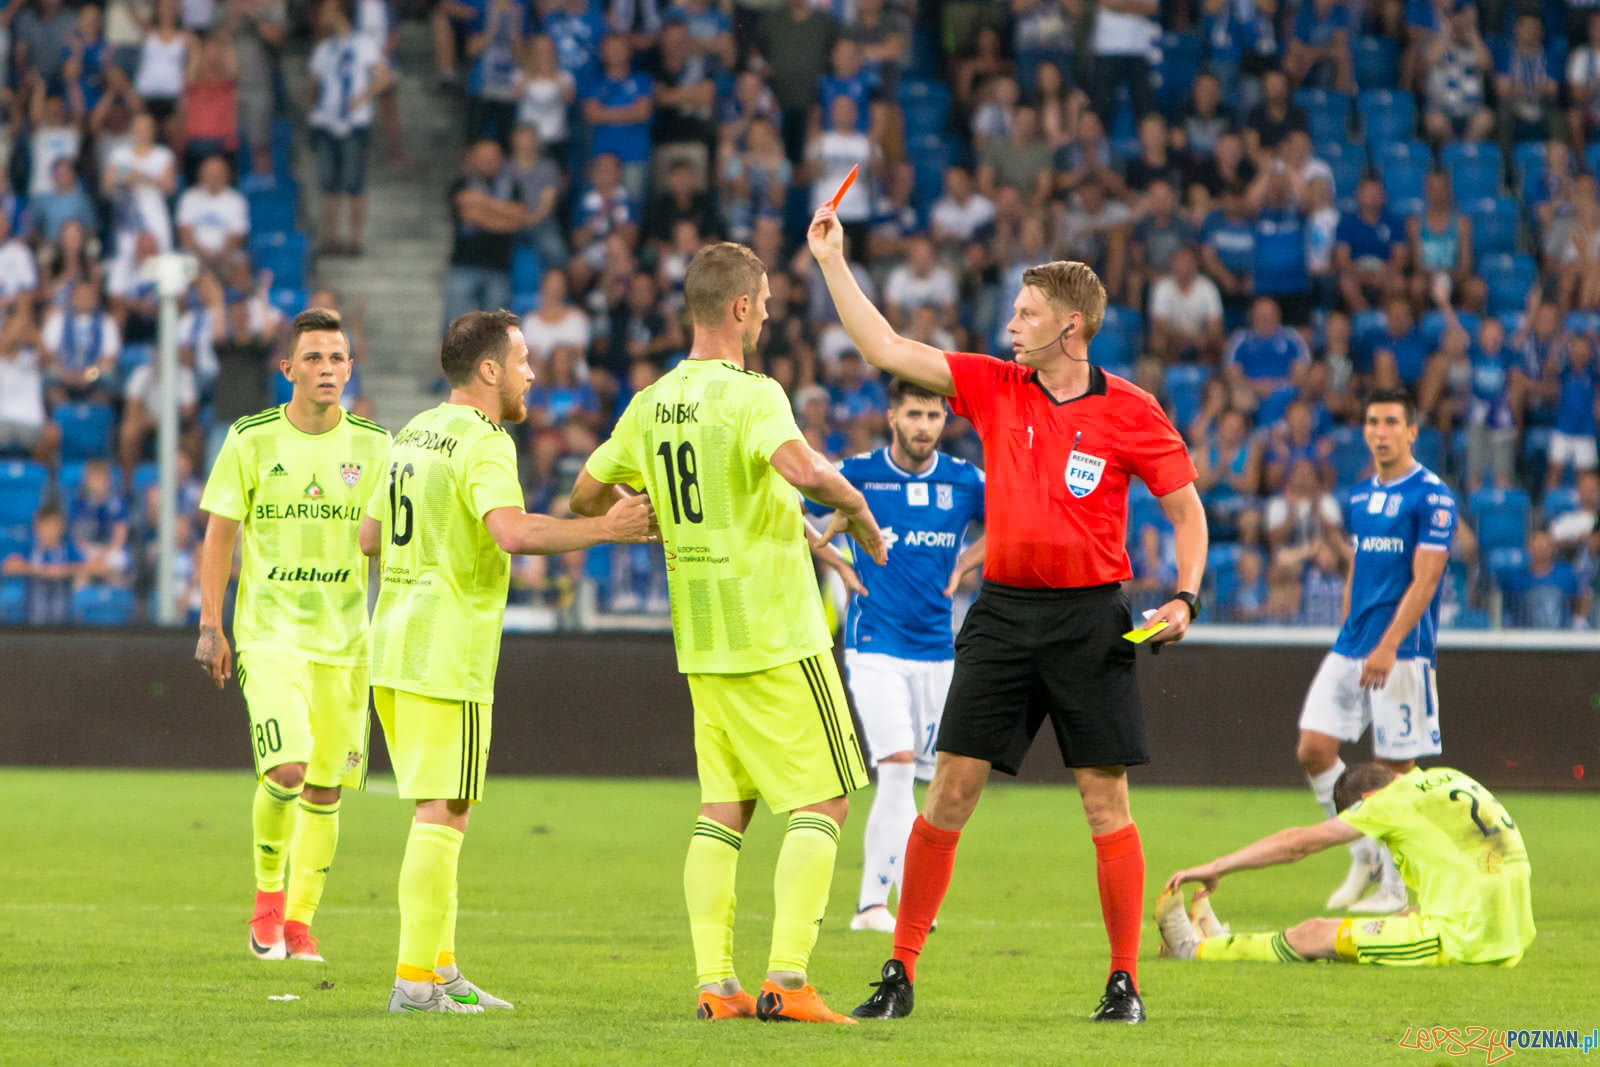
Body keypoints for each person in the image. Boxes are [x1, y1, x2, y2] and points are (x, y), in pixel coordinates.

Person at [807, 203, 1208, 1023]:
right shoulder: (994, 385)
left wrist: (1185, 596)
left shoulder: (1130, 409)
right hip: (1001, 614)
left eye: (1025, 313)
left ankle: (1124, 980)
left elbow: (1188, 512)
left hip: (1093, 618)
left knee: (1105, 803)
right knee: (949, 790)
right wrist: (831, 263)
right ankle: (898, 971)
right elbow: (886, 347)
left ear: (1070, 326)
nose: (1010, 323)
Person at [570, 242, 886, 1024]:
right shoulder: (755, 394)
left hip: (703, 638)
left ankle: (718, 984)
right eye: (768, 300)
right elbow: (805, 470)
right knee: (828, 798)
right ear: (741, 308)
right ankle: (788, 979)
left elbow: (584, 493)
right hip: (773, 632)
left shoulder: (651, 402)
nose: (773, 310)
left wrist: (627, 519)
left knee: (725, 808)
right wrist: (863, 516)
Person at [359, 310, 655, 1014]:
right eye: (522, 359)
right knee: (440, 809)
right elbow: (513, 533)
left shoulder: (411, 432)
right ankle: (412, 982)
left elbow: (369, 535)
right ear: (488, 370)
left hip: (395, 642)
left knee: (450, 808)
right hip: (446, 649)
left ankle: (440, 967)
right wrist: (605, 528)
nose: (530, 372)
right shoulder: (485, 442)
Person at [194, 308, 392, 965]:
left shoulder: (375, 446)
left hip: (346, 644)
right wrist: (210, 623)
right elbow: (220, 534)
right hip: (270, 634)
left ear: (351, 369)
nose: (327, 369)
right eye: (313, 358)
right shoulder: (250, 438)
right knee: (287, 767)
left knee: (325, 788)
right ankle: (267, 906)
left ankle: (301, 925)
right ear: (287, 370)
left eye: (337, 358)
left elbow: (389, 549)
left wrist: (390, 624)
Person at [808, 377, 986, 935]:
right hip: (874, 647)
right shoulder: (858, 474)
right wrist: (829, 553)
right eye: (913, 415)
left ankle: (904, 903)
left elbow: (1017, 521)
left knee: (928, 782)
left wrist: (966, 564)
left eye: (933, 417)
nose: (924, 427)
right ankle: (871, 908)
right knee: (896, 767)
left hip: (937, 653)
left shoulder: (963, 480)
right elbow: (788, 504)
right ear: (892, 418)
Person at [1295, 388, 1456, 917]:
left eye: (1392, 422)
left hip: (1403, 651)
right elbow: (1360, 570)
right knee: (1313, 749)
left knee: (1395, 770)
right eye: (1372, 422)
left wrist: (1388, 645)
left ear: (1412, 431)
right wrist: (1349, 628)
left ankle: (1398, 886)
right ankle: (1363, 853)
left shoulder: (1432, 497)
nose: (1381, 431)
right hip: (1351, 645)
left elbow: (1426, 579)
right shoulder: (1360, 496)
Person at [1156, 762, 1535, 968]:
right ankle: (1222, 941)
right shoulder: (1446, 777)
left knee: (1313, 932)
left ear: (1366, 799)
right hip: (1511, 928)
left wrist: (1218, 866)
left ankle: (1196, 950)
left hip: (1468, 941)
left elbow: (1296, 845)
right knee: (1404, 916)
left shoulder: (1385, 802)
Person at [307, 0, 389, 256]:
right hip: (326, 119)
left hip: (354, 121)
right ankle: (331, 238)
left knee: (355, 183)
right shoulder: (324, 47)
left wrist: (362, 97)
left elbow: (383, 76)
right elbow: (315, 83)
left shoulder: (364, 44)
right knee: (328, 184)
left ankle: (355, 239)